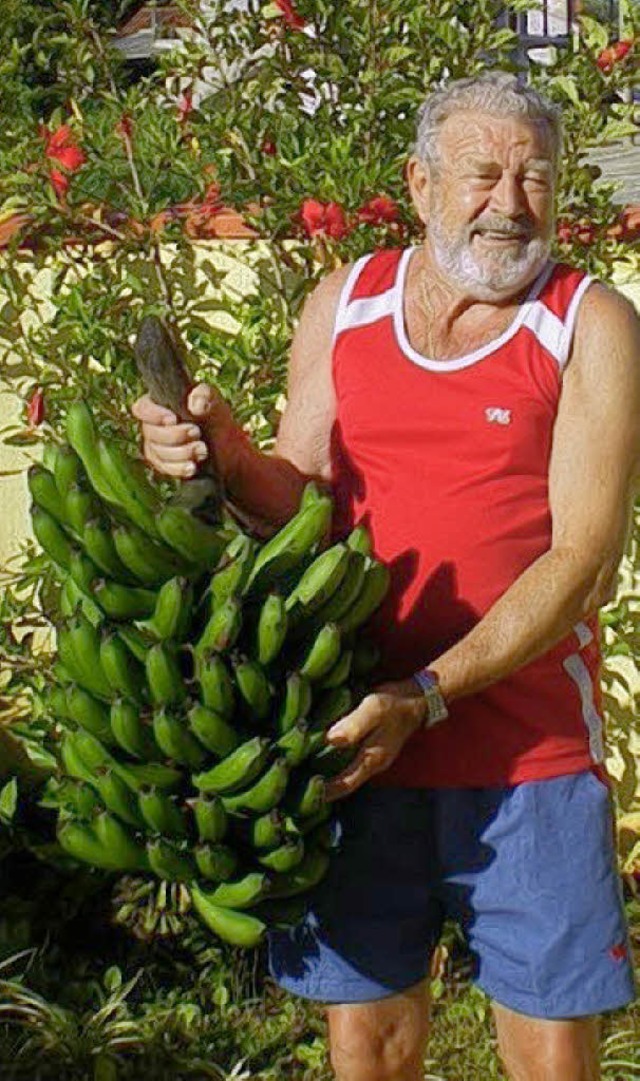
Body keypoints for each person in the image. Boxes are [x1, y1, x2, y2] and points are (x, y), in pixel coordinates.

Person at [133, 72, 640, 1081]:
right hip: (352, 742)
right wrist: (227, 457)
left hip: (526, 754)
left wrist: (425, 696)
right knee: (367, 1043)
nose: (510, 203)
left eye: (534, 178)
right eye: (482, 175)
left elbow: (581, 561)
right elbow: (302, 501)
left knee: (550, 1056)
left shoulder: (589, 323)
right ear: (417, 183)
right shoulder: (346, 303)